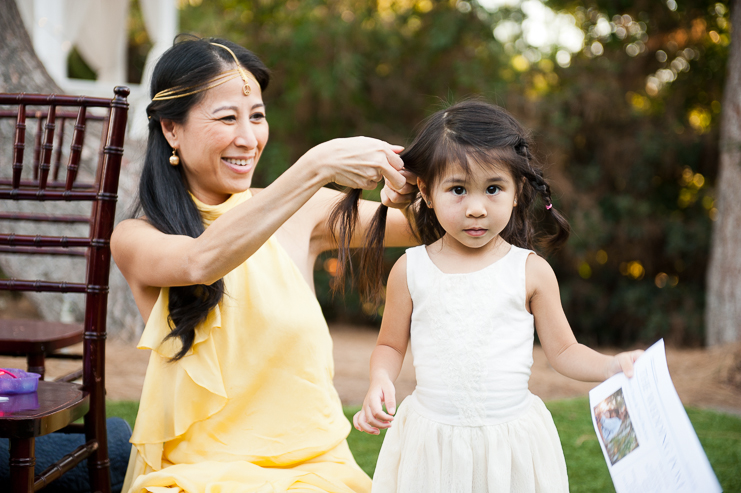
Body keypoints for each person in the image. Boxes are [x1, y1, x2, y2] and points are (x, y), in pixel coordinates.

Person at [111, 36, 418, 493]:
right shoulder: (137, 237)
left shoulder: (303, 210)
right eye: (227, 118)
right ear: (172, 129)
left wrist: (410, 195)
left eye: (256, 116)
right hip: (199, 474)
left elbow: (429, 229)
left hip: (316, 471)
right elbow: (201, 262)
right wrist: (315, 164)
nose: (248, 138)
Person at [341, 100, 644, 492]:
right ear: (427, 193)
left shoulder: (530, 270)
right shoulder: (411, 270)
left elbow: (565, 351)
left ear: (517, 192)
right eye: (458, 190)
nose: (476, 208)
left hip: (511, 442)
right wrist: (380, 378)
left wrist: (612, 366)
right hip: (432, 442)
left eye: (493, 188)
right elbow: (389, 344)